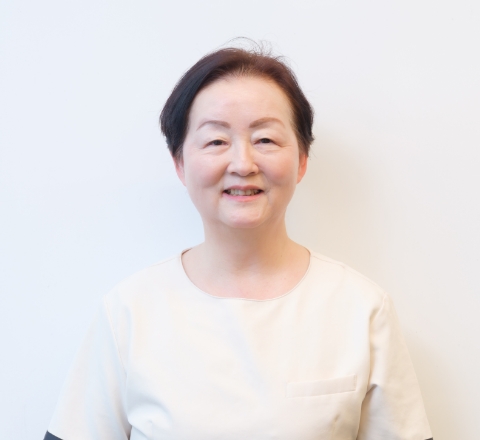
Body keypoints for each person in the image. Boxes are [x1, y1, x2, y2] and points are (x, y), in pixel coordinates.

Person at [44, 45, 433, 440]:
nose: (243, 164)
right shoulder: (129, 312)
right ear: (180, 163)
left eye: (265, 139)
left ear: (302, 160)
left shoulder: (361, 309)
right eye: (216, 141)